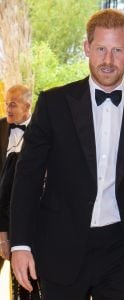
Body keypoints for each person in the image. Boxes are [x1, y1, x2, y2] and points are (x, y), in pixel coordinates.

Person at [10, 9, 124, 300]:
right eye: (100, 49)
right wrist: (20, 244)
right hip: (61, 245)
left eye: (117, 50)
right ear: (87, 48)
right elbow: (28, 177)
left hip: (121, 251)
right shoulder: (54, 104)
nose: (108, 60)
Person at [0, 84, 41, 299]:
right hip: (2, 221)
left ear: (27, 106)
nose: (8, 108)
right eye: (6, 104)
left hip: (21, 224)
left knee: (23, 282)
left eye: (13, 104)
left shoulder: (41, 132)